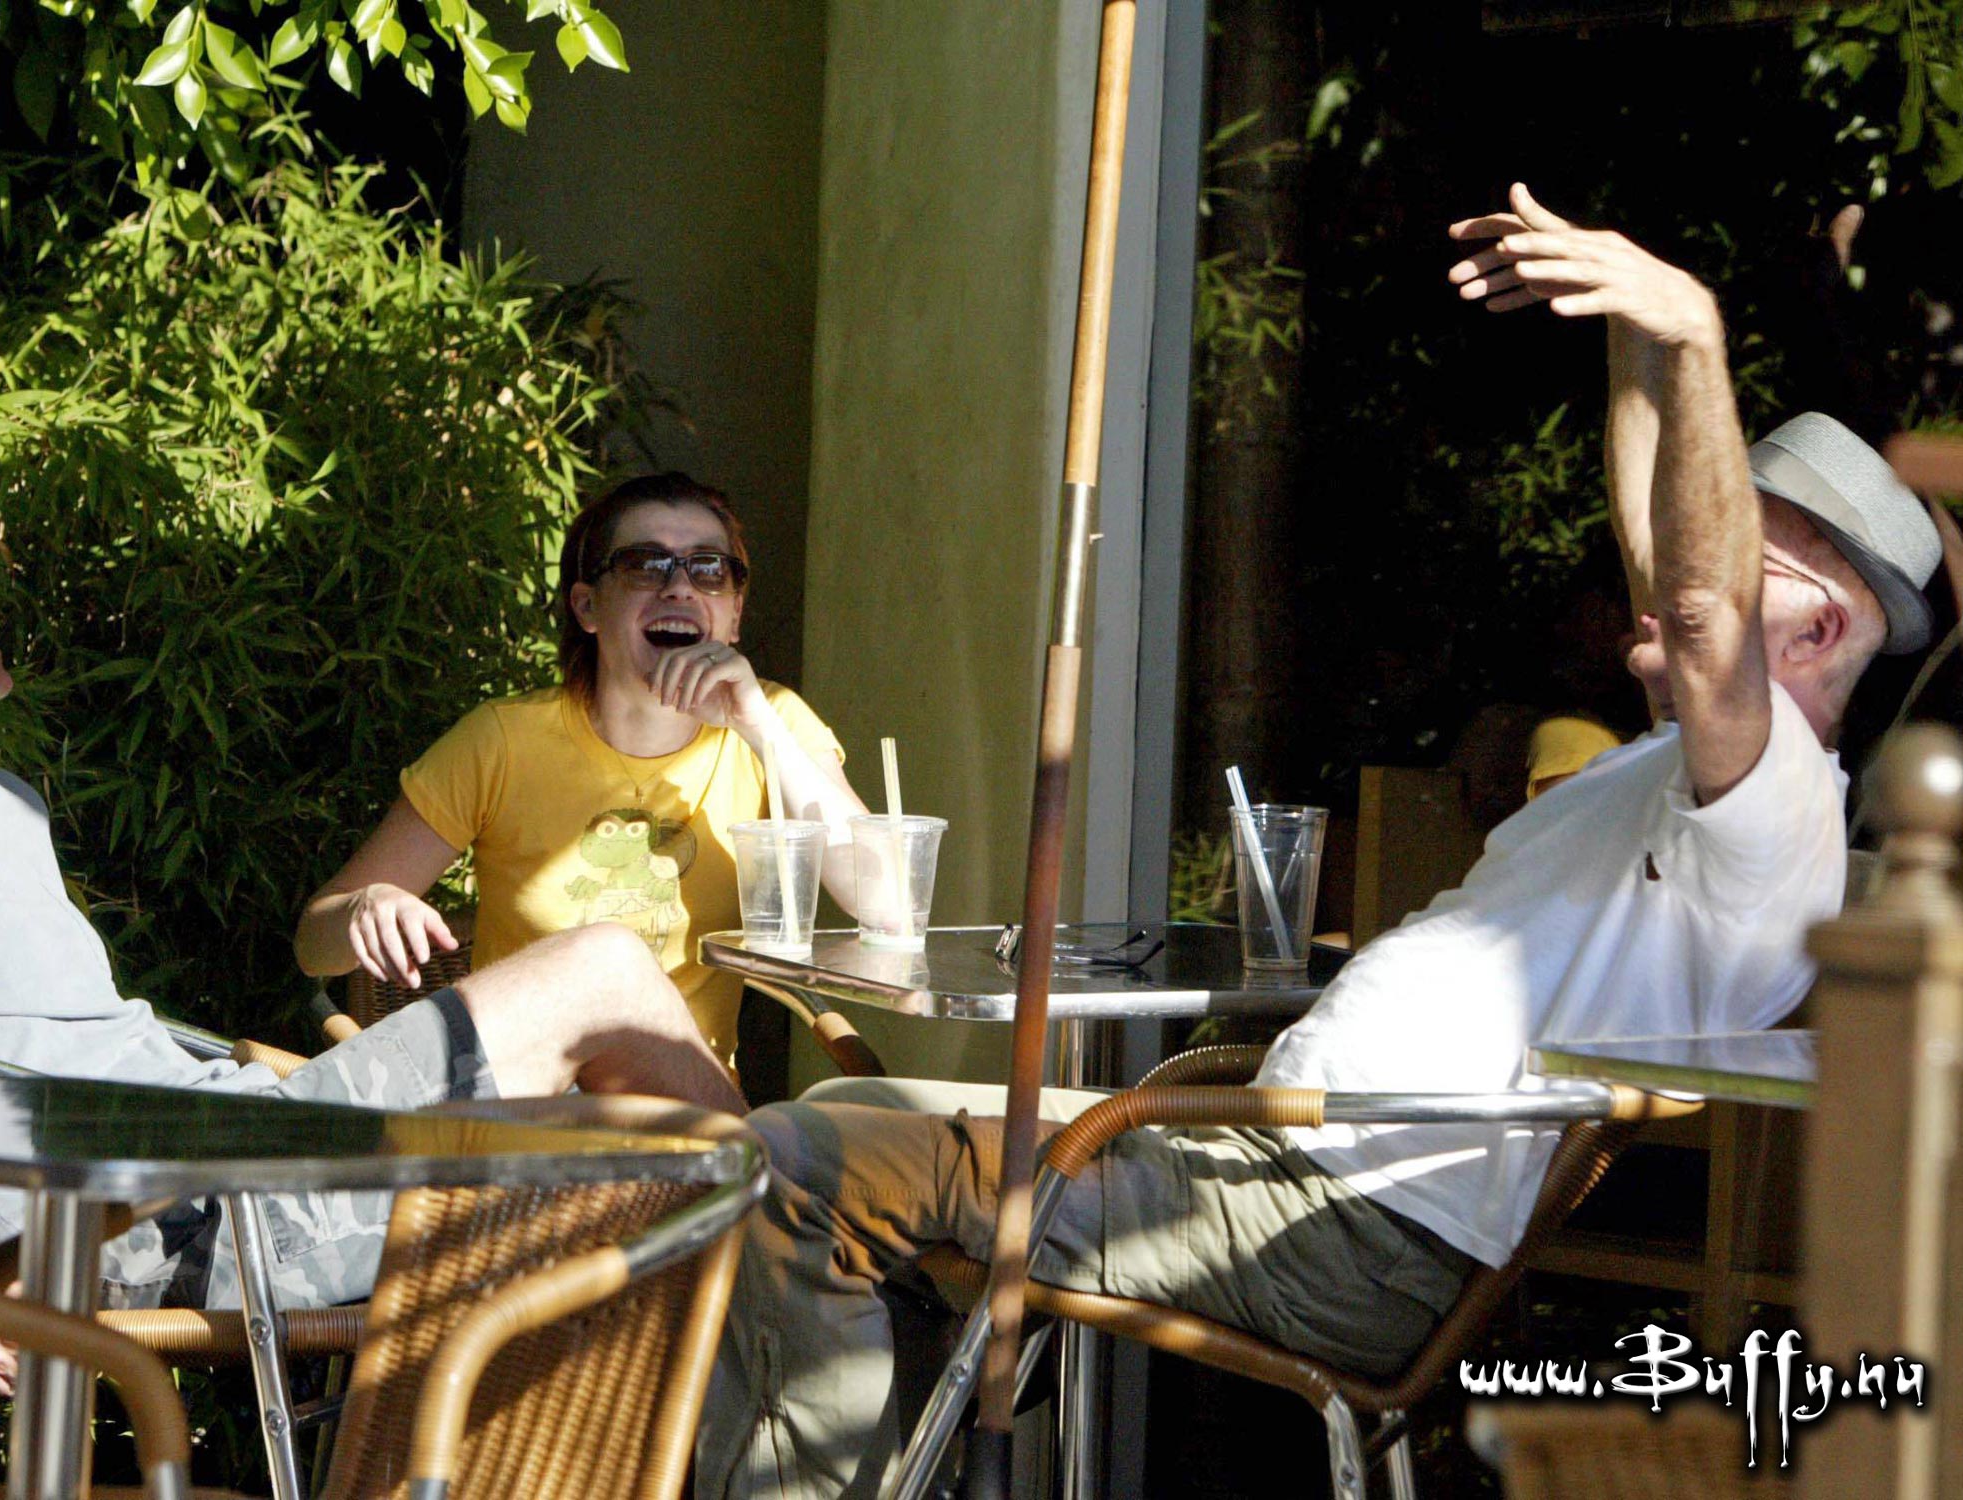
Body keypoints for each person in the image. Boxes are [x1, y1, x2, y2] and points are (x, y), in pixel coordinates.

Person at [694, 183, 1946, 1499]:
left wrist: (1691, 328)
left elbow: (1696, 607)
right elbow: (1664, 559)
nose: (1670, 566)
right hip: (1269, 1168)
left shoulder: (1778, 803)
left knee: (799, 1166)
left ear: (1813, 631)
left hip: (1341, 1225)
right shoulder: (1678, 767)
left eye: (1735, 552)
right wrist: (1633, 328)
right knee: (841, 1127)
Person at [0, 437, 746, 1397]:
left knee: (650, 1156)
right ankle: (796, 1228)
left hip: (234, 1154)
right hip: (181, 1214)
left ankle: (769, 1314)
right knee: (607, 976)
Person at [295, 473, 872, 1067]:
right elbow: (314, 946)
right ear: (588, 606)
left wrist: (758, 727)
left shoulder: (773, 723)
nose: (679, 587)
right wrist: (365, 906)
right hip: (526, 1095)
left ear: (734, 614)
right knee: (610, 956)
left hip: (683, 1107)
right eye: (644, 565)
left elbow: (880, 899)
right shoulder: (503, 742)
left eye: (708, 569)